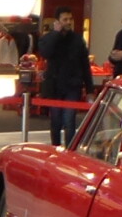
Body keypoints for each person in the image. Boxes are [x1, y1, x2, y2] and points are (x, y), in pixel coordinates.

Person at [36, 10, 94, 147]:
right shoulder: (49, 38)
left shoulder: (77, 39)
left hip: (72, 85)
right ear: (57, 21)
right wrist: (56, 34)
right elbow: (46, 52)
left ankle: (69, 149)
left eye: (70, 19)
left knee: (69, 120)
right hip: (55, 86)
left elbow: (85, 65)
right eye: (65, 19)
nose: (68, 22)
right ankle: (55, 147)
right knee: (55, 120)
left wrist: (89, 89)